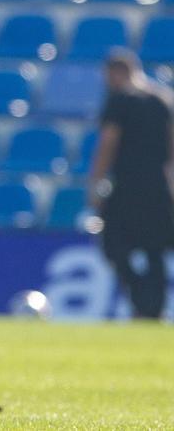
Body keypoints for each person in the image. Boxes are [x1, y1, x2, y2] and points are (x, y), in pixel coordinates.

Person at [88, 48, 174, 320]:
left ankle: (141, 298)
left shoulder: (120, 100)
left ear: (117, 72)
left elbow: (108, 143)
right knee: (155, 250)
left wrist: (95, 182)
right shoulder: (163, 100)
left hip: (127, 186)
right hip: (158, 188)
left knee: (113, 245)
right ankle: (153, 308)